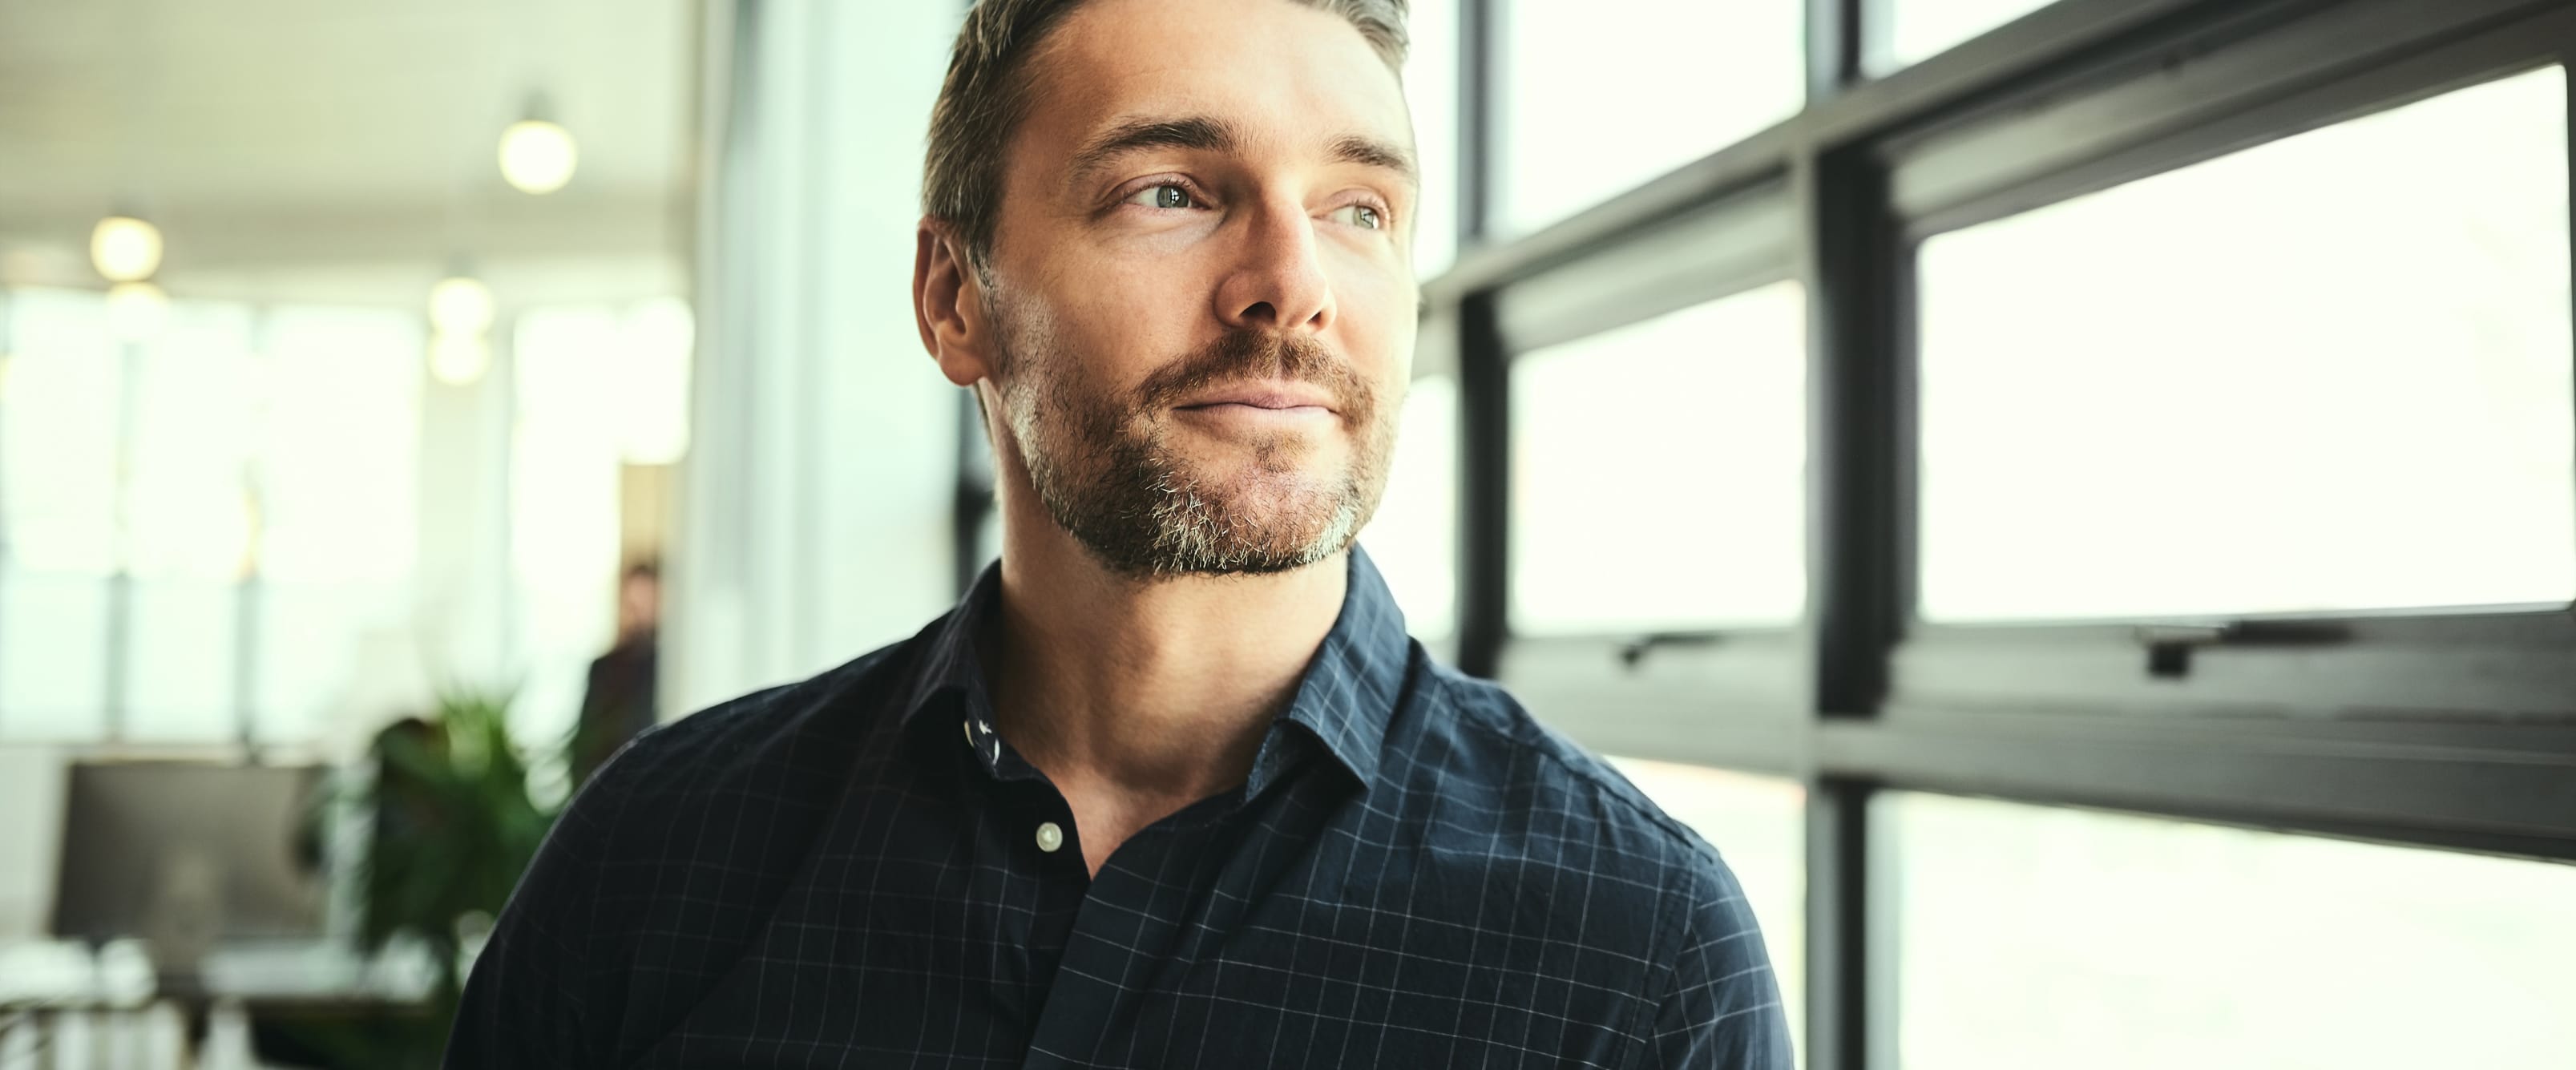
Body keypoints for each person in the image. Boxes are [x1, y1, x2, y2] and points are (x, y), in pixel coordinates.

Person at [443, 0, 1793, 1065]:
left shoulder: (1637, 957)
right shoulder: (658, 860)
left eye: (1358, 208)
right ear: (954, 297)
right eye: (1173, 191)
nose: (1292, 286)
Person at [567, 560, 660, 793]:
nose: (640, 616)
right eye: (634, 605)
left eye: (646, 604)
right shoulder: (606, 668)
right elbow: (585, 741)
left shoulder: (673, 667)